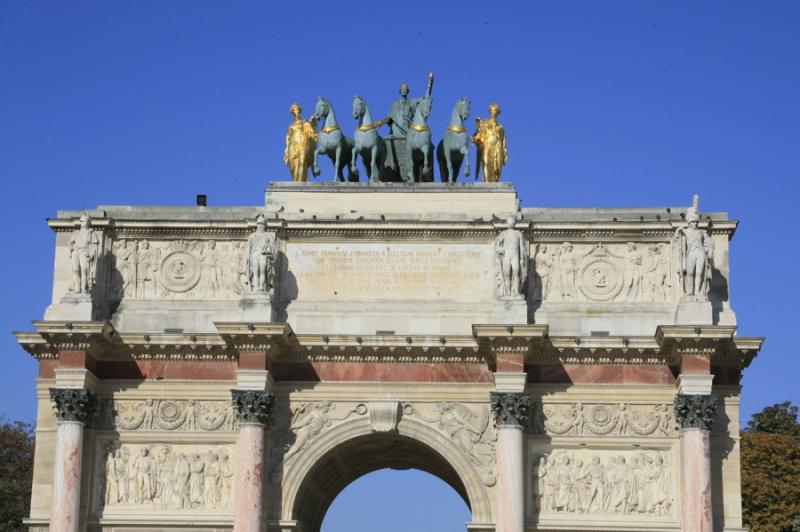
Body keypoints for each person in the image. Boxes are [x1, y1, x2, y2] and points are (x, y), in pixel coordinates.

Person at [472, 103, 508, 182]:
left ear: (497, 112)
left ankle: (494, 183)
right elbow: (479, 133)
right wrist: (475, 138)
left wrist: (505, 152)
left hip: (497, 147)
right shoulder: (485, 123)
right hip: (487, 146)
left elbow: (503, 141)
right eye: (492, 110)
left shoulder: (500, 127)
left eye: (495, 110)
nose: (493, 112)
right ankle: (487, 183)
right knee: (486, 162)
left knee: (498, 168)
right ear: (490, 112)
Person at [284, 103, 318, 182]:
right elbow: (288, 139)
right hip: (292, 146)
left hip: (302, 143)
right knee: (293, 166)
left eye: (298, 110)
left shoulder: (304, 123)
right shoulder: (291, 126)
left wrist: (313, 124)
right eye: (295, 110)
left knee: (302, 162)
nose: (296, 112)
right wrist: (286, 150)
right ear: (293, 113)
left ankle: (300, 184)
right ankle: (296, 182)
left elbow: (312, 132)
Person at [495, 216, 528, 296]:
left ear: (514, 223)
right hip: (506, 255)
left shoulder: (518, 233)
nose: (511, 223)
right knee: (507, 274)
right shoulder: (504, 233)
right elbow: (498, 245)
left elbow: (521, 247)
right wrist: (500, 248)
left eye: (512, 221)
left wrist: (522, 259)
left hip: (515, 255)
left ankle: (516, 291)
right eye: (509, 221)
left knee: (516, 273)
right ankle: (508, 292)